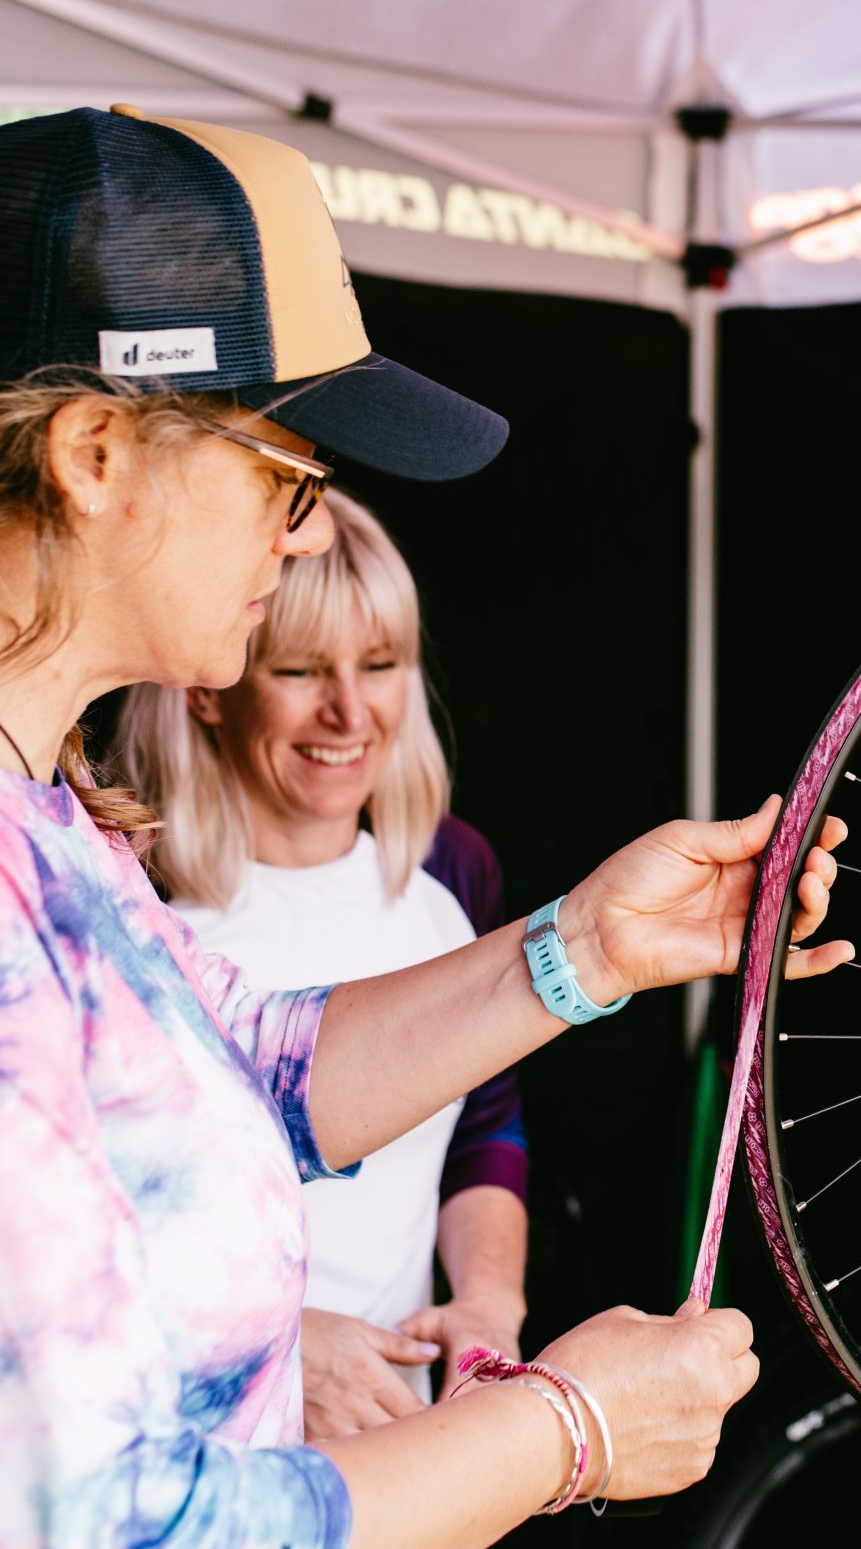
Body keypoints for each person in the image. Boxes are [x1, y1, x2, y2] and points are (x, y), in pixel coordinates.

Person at [0, 105, 850, 1549]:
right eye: (286, 474)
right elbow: (97, 1530)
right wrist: (562, 1428)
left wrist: (589, 946)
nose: (309, 532)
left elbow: (245, 1068)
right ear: (91, 452)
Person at [116, 491, 533, 1437]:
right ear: (209, 682)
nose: (349, 710)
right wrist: (276, 1345)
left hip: (407, 1448)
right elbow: (69, 1226)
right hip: (197, 1449)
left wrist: (488, 1304)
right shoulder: (129, 887)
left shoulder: (452, 870)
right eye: (302, 669)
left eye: (380, 665)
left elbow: (486, 1125)